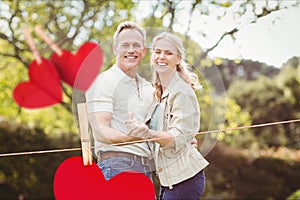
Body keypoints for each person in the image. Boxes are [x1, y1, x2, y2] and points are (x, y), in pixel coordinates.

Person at [125, 32, 209, 200]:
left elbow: (177, 137)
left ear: (178, 59)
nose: (161, 57)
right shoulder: (160, 93)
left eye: (168, 53)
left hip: (186, 179)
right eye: (157, 52)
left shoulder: (182, 92)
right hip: (169, 180)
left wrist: (148, 133)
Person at [85, 21, 155, 181]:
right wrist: (132, 138)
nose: (131, 50)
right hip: (116, 166)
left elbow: (159, 127)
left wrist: (183, 141)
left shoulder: (148, 88)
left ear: (143, 50)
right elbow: (101, 131)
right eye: (125, 45)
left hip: (146, 170)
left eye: (136, 45)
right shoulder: (104, 81)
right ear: (115, 49)